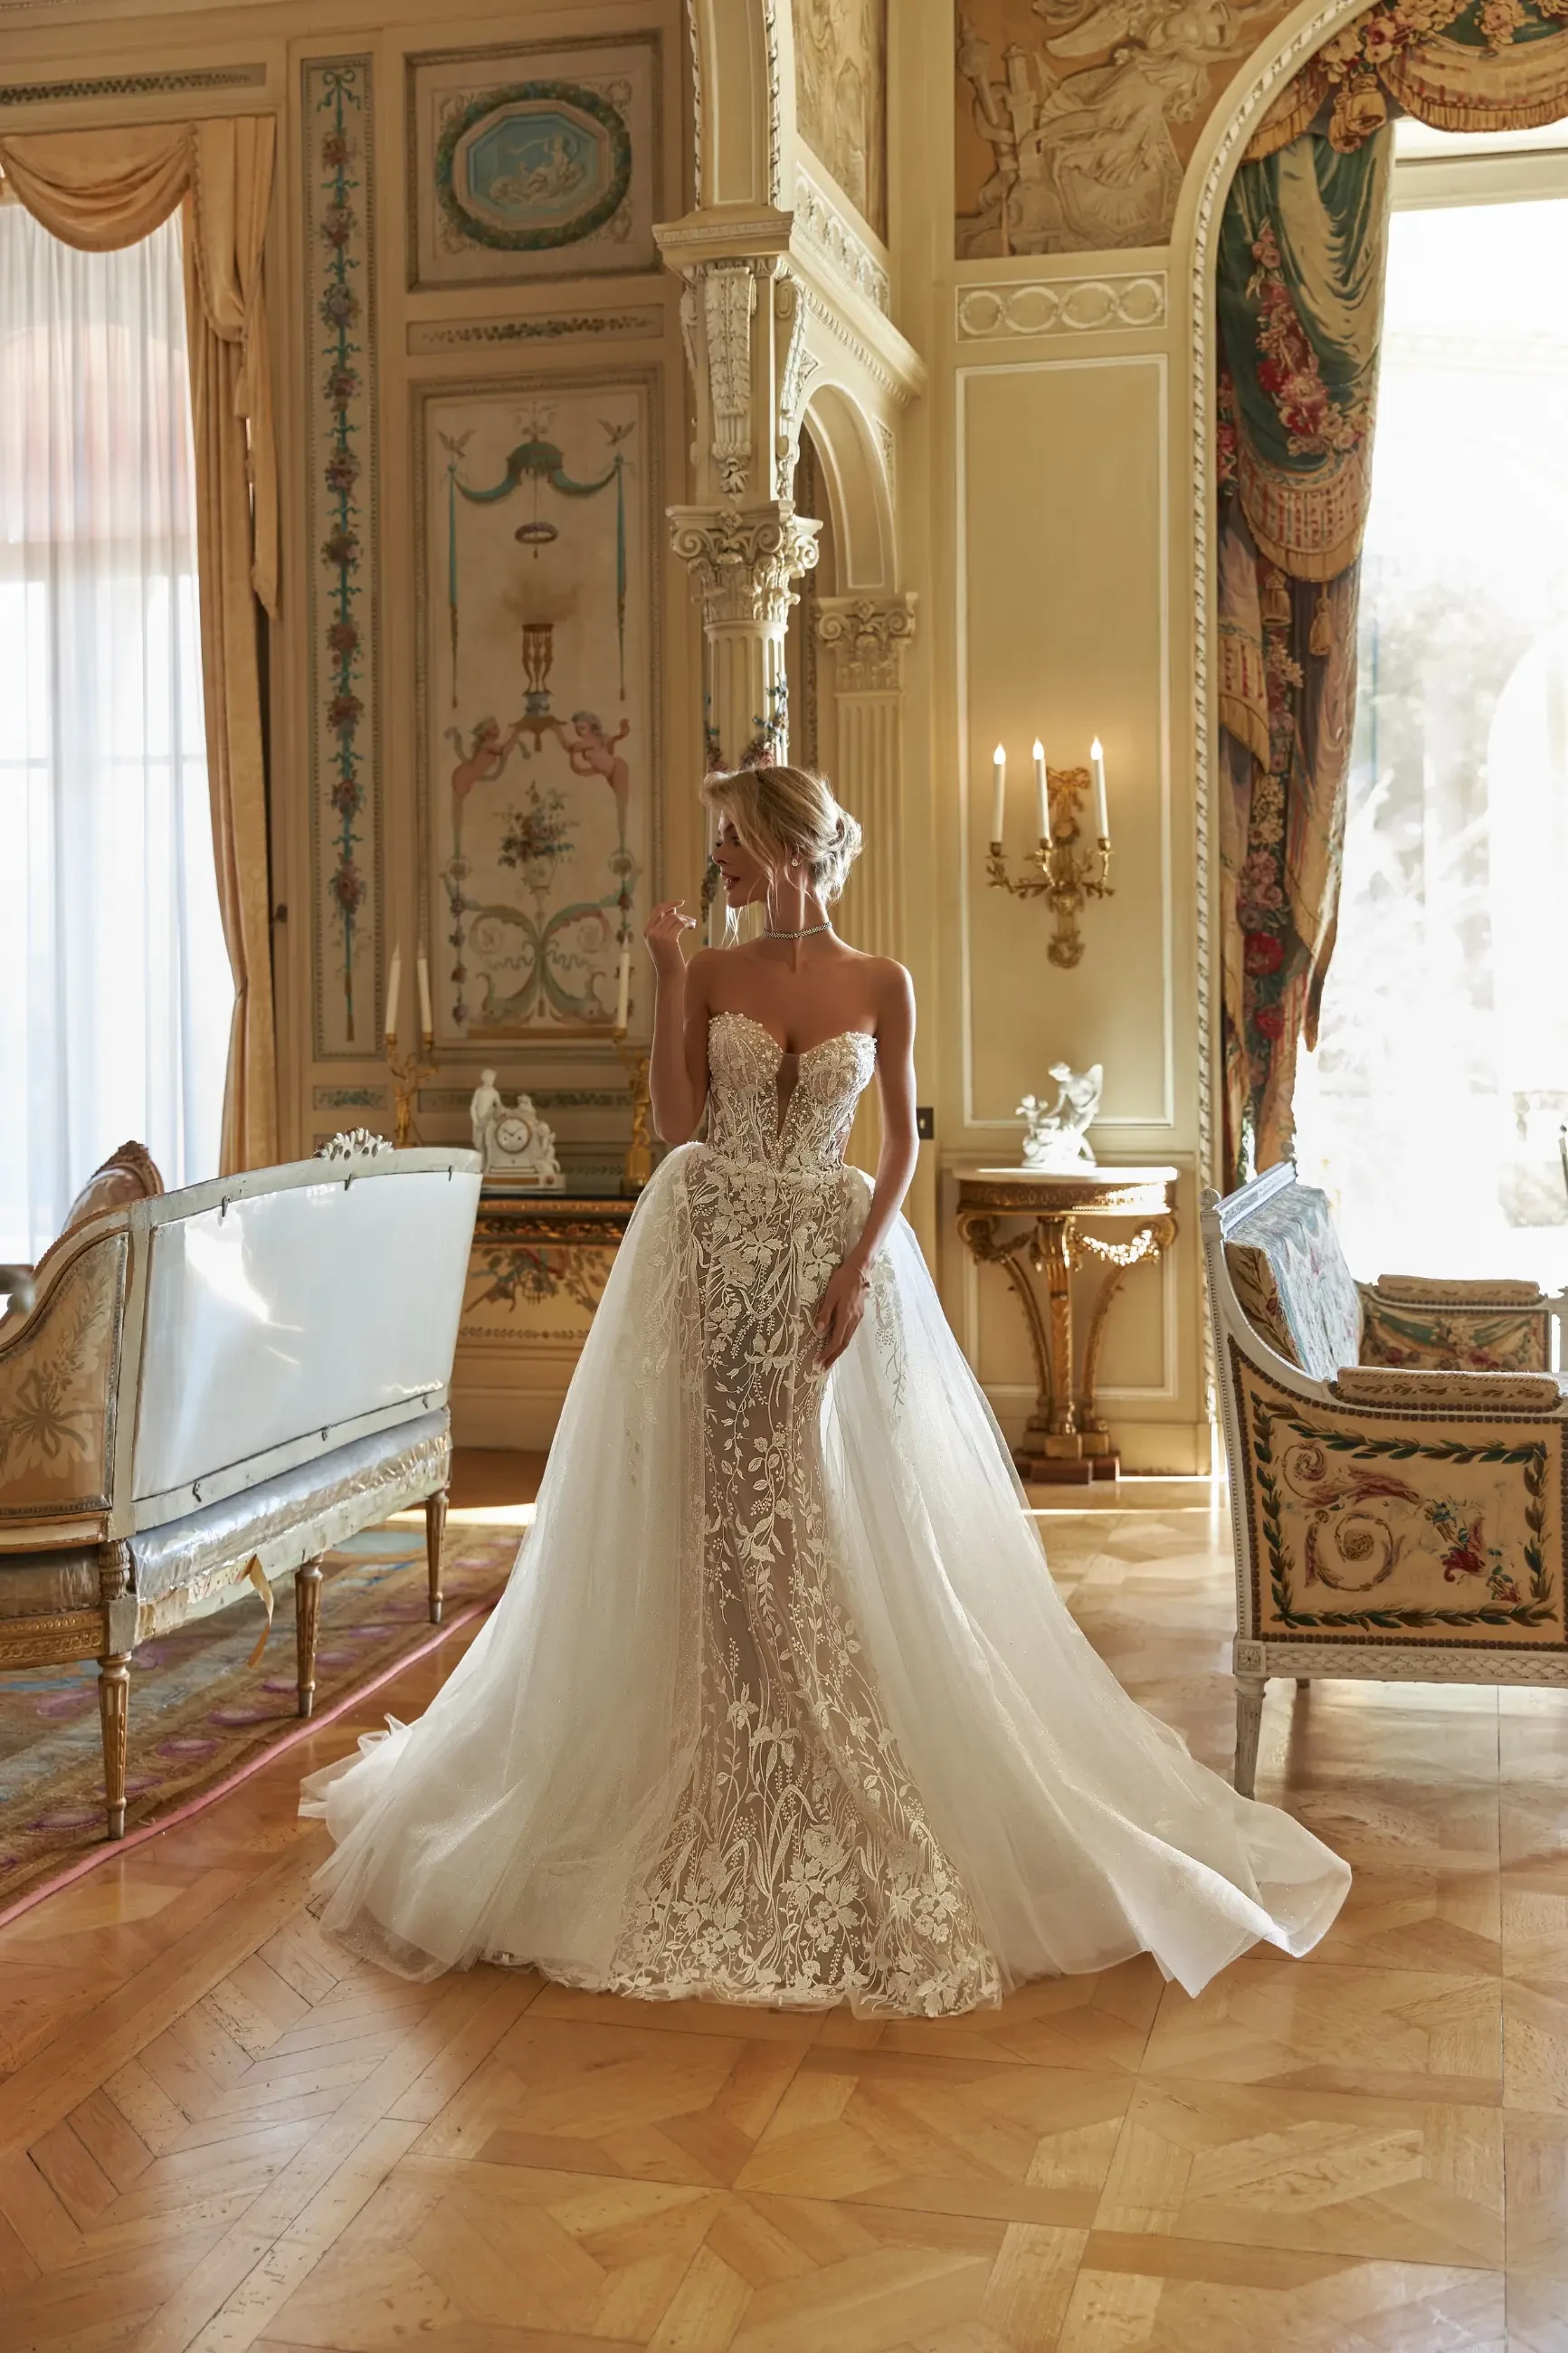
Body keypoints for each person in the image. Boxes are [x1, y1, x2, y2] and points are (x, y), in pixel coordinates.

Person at [302, 762, 1349, 2011]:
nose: (722, 864)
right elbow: (682, 1121)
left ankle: (814, 1731)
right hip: (710, 1252)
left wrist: (858, 1270)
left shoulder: (880, 982)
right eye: (721, 846)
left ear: (787, 844)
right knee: (712, 1505)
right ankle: (711, 1734)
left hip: (824, 1259)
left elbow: (900, 1137)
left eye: (734, 844)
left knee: (817, 1512)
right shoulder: (717, 969)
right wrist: (665, 976)